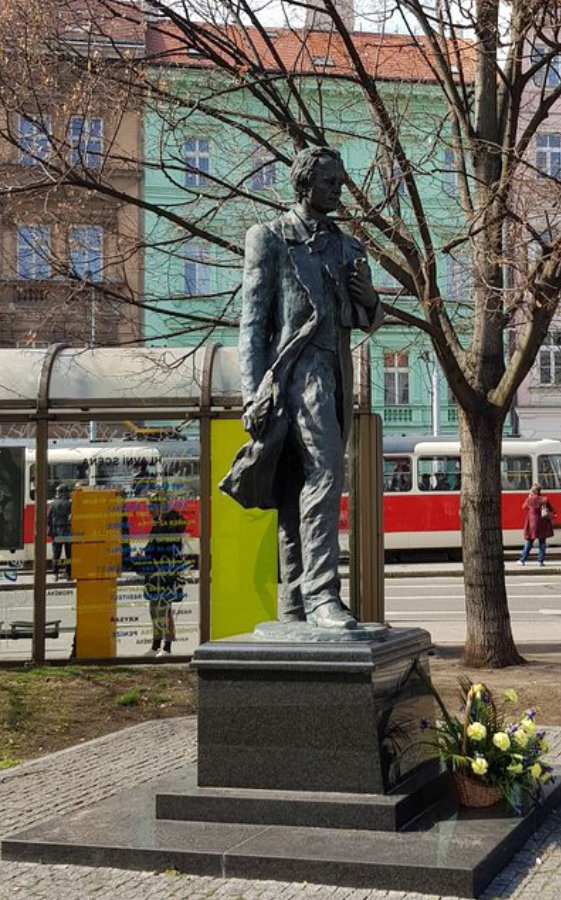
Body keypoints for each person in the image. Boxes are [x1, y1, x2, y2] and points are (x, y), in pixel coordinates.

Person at [221, 147, 383, 629]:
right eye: (331, 181)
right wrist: (253, 394)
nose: (339, 189)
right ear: (305, 184)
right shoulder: (270, 238)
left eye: (341, 180)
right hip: (297, 373)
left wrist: (370, 300)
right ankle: (321, 596)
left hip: (335, 373)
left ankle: (295, 606)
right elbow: (252, 323)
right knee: (326, 475)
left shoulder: (349, 247)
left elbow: (363, 317)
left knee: (300, 488)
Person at [136, 493, 187, 657]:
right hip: (156, 572)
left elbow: (166, 548)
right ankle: (156, 645)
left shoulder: (170, 523)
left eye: (152, 506)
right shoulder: (159, 523)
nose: (149, 510)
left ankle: (167, 647)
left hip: (166, 572)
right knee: (155, 609)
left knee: (164, 609)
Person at [518, 483, 555, 566]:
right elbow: (551, 509)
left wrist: (529, 497)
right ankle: (540, 561)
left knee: (529, 542)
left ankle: (522, 559)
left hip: (532, 524)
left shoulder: (530, 499)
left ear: (532, 491)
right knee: (542, 543)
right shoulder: (544, 499)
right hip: (543, 523)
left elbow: (524, 507)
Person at [47, 484, 71, 580]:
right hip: (67, 532)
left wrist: (52, 527)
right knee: (68, 553)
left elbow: (48, 518)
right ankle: (68, 574)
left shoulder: (53, 504)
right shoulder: (70, 504)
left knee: (56, 553)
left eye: (57, 492)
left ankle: (56, 574)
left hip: (57, 532)